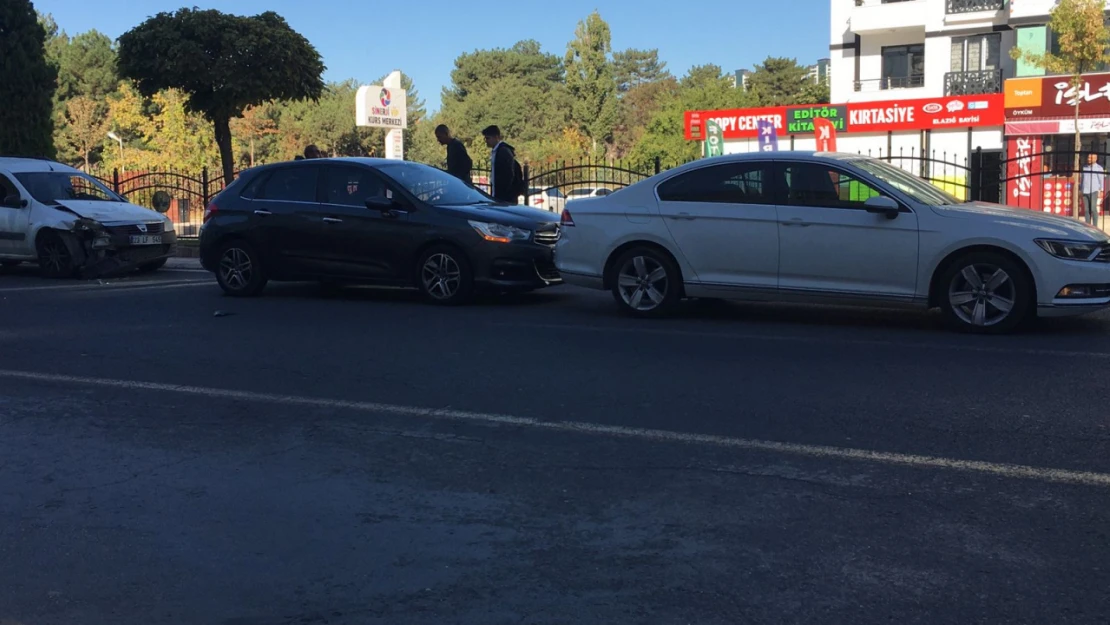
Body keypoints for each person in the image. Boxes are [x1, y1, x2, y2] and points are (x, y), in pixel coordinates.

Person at [482, 125, 523, 203]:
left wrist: (504, 192)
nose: (486, 141)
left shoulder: (503, 151)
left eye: (488, 138)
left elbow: (508, 174)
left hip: (505, 196)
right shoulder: (497, 151)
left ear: (496, 137)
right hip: (500, 193)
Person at [1081, 152, 1104, 228]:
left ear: (1095, 159)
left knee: (1093, 209)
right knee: (1087, 210)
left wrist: (1101, 190)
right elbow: (1082, 179)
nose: (1089, 159)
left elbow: (1101, 180)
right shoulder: (1085, 167)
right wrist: (1081, 189)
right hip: (1085, 190)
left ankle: (1095, 226)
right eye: (1088, 157)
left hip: (1094, 190)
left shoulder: (1099, 168)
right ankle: (1087, 225)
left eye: (1091, 158)